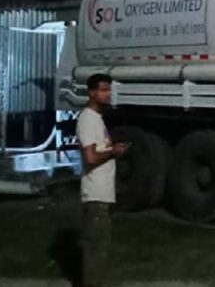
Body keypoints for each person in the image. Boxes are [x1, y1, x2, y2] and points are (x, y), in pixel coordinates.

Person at [76, 73, 128, 287]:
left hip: (103, 194)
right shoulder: (88, 119)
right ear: (91, 92)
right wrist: (113, 152)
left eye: (109, 89)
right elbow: (90, 158)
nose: (108, 94)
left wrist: (112, 149)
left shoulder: (97, 118)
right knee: (96, 250)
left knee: (100, 249)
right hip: (95, 194)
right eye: (103, 90)